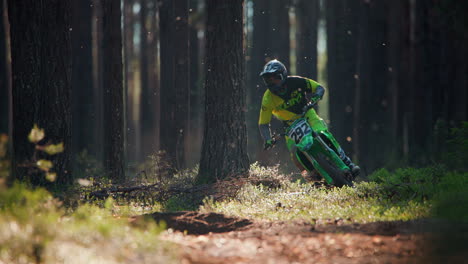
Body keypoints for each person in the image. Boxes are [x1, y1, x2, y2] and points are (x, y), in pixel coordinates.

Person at [258, 59, 360, 181]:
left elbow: (319, 88)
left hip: (307, 115)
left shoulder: (296, 81)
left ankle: (347, 162)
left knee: (323, 134)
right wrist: (267, 139)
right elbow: (263, 123)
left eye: (275, 78)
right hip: (290, 126)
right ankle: (313, 178)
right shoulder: (267, 98)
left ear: (283, 75)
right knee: (295, 153)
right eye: (268, 80)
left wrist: (316, 96)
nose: (272, 83)